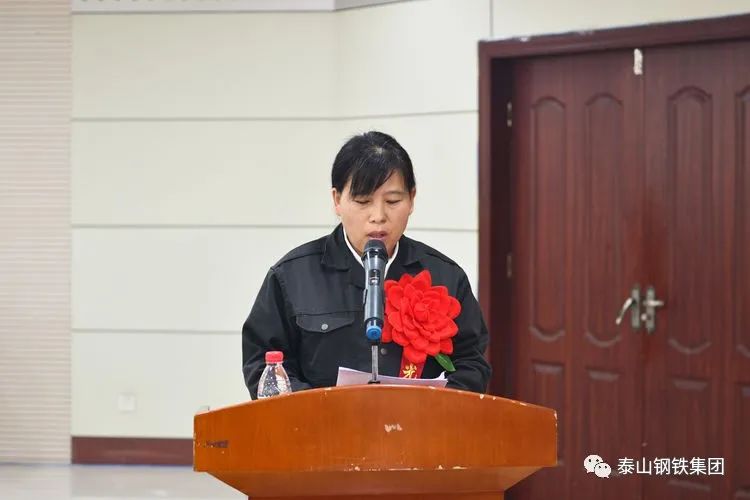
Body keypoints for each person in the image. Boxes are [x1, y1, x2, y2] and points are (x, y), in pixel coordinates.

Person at [242, 131, 491, 398]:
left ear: (412, 199)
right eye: (363, 201)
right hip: (321, 423)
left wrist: (430, 408)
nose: (378, 216)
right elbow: (264, 367)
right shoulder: (292, 277)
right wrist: (322, 409)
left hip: (419, 423)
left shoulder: (445, 277)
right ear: (337, 200)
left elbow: (471, 364)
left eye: (393, 201)